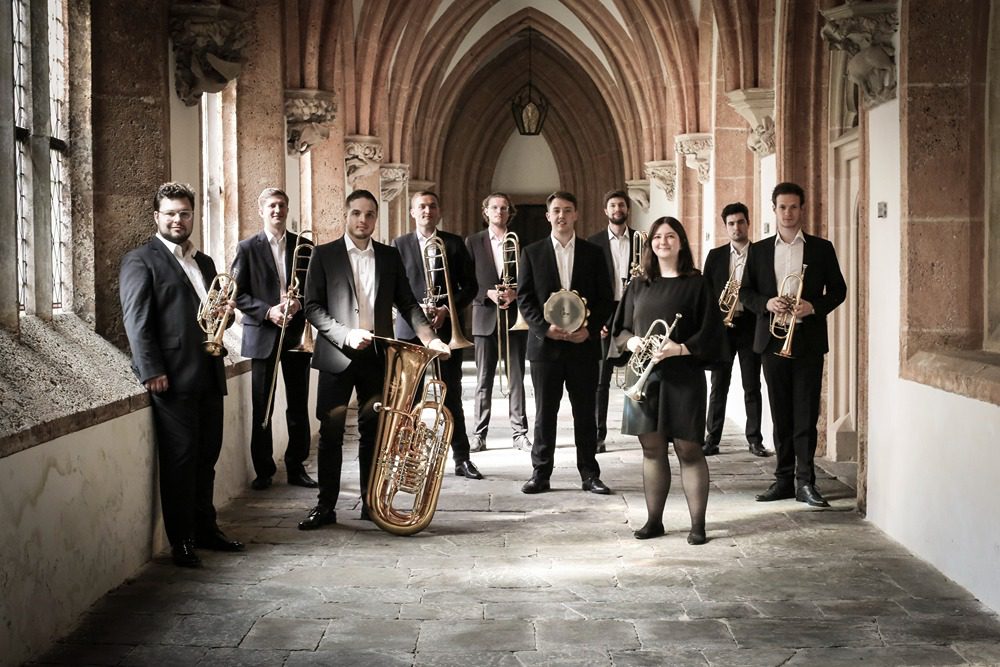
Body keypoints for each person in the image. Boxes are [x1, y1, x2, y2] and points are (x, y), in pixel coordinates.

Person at [299, 190, 451, 529]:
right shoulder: (324, 255)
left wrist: (431, 339)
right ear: (346, 215)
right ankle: (325, 506)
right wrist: (345, 334)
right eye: (356, 213)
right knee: (331, 433)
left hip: (378, 357)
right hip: (337, 354)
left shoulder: (388, 256)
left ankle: (371, 504)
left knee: (375, 432)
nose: (362, 220)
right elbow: (312, 307)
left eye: (369, 214)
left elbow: (407, 303)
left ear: (375, 219)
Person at [119, 181, 243, 567]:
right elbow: (136, 320)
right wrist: (151, 369)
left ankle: (206, 528)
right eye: (171, 213)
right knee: (180, 461)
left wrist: (226, 315)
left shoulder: (203, 262)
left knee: (207, 456)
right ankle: (183, 540)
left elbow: (211, 316)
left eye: (184, 213)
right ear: (157, 217)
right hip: (171, 378)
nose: (178, 220)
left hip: (208, 370)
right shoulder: (141, 260)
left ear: (193, 216)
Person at [611, 216, 727, 545]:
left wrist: (680, 348)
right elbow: (621, 330)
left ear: (681, 242)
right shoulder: (639, 284)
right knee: (651, 448)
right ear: (651, 244)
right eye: (658, 237)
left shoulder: (697, 283)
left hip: (683, 375)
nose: (663, 242)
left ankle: (698, 525)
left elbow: (712, 331)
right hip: (644, 377)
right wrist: (633, 342)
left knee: (689, 448)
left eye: (670, 236)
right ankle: (654, 521)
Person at [740, 182, 847, 508]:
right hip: (772, 340)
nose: (788, 213)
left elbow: (839, 290)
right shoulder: (759, 250)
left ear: (802, 209)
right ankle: (784, 479)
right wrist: (766, 303)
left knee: (806, 414)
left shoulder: (821, 248)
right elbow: (745, 292)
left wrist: (812, 306)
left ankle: (806, 482)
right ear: (774, 210)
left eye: (793, 207)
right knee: (781, 414)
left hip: (807, 342)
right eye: (782, 207)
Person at [517, 191, 614, 494]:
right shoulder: (532, 253)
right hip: (545, 347)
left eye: (567, 210)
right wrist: (544, 329)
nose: (562, 216)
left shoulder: (593, 253)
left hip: (583, 346)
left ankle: (590, 474)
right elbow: (524, 298)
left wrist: (590, 329)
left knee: (585, 413)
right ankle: (540, 474)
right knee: (545, 413)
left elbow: (605, 297)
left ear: (576, 215)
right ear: (548, 216)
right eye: (556, 210)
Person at [392, 191, 483, 480]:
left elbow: (470, 286)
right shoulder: (399, 245)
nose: (427, 211)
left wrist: (447, 308)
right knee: (410, 396)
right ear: (412, 212)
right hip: (410, 331)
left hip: (446, 329)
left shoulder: (454, 243)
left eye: (432, 206)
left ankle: (462, 458)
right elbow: (392, 288)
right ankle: (406, 457)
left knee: (451, 394)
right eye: (421, 206)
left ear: (439, 211)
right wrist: (416, 310)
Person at [232, 188, 317, 491]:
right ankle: (264, 470)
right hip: (263, 333)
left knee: (297, 405)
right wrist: (268, 312)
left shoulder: (304, 246)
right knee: (262, 406)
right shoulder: (247, 248)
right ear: (261, 211)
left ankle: (296, 466)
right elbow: (237, 294)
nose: (277, 210)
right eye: (271, 206)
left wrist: (297, 303)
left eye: (282, 205)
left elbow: (314, 289)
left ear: (287, 209)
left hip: (295, 333)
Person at [465, 193, 532, 454]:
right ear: (486, 211)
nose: (499, 212)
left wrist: (516, 294)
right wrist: (486, 294)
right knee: (484, 380)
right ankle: (478, 434)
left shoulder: (520, 241)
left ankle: (520, 433)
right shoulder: (473, 242)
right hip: (485, 318)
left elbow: (530, 279)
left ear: (509, 212)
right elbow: (465, 282)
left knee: (516, 378)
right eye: (494, 207)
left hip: (514, 318)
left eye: (504, 208)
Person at [702, 202, 768, 457]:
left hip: (750, 326)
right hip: (723, 329)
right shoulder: (715, 256)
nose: (736, 227)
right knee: (719, 385)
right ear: (725, 227)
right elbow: (706, 293)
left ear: (748, 223)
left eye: (740, 222)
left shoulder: (760, 254)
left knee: (752, 385)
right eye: (731, 223)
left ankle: (754, 440)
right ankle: (712, 439)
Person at [587, 190, 641, 453]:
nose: (617, 209)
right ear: (605, 211)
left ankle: (647, 432)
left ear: (627, 209)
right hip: (605, 313)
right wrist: (598, 319)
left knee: (643, 374)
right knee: (600, 380)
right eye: (612, 205)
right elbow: (589, 285)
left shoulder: (642, 240)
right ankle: (598, 435)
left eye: (621, 205)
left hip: (636, 312)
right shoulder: (594, 243)